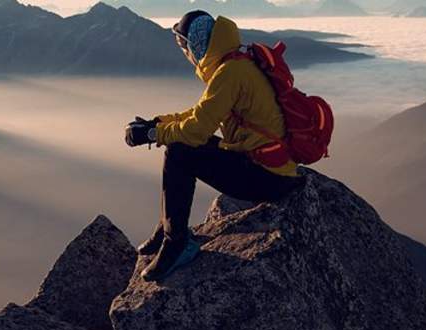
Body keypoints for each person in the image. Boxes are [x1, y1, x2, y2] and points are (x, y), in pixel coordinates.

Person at [124, 10, 305, 281]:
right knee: (181, 143)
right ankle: (168, 226)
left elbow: (197, 130)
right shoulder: (237, 63)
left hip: (268, 179)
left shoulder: (229, 73)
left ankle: (176, 242)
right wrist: (157, 123)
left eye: (183, 44)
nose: (184, 52)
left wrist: (152, 134)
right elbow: (201, 113)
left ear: (198, 44)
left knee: (179, 151)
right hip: (271, 168)